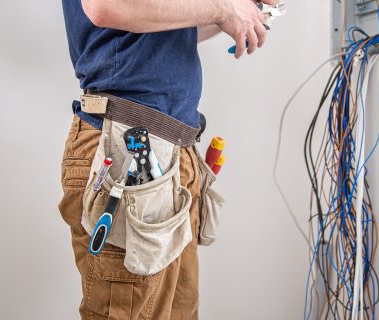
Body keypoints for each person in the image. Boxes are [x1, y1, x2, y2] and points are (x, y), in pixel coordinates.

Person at [59, 0, 278, 318]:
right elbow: (105, 6)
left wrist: (244, 10)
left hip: (170, 152)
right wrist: (223, 8)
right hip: (123, 147)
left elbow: (167, 28)